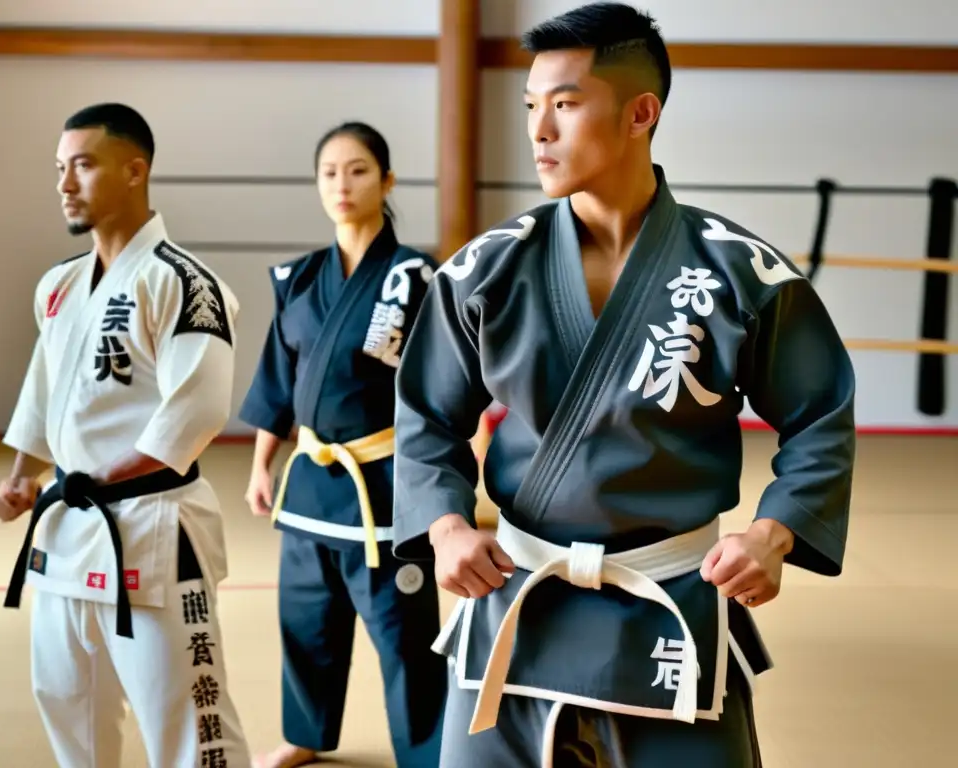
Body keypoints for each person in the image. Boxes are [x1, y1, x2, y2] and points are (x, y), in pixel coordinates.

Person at [391, 4, 856, 767]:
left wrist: (775, 532)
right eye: (532, 107)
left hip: (668, 597)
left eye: (566, 105)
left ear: (642, 113)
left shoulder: (737, 272)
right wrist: (443, 525)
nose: (540, 130)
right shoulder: (486, 271)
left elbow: (821, 414)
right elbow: (425, 416)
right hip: (521, 597)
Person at [0, 102, 252, 768]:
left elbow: (197, 407)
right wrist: (26, 475)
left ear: (135, 171)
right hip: (68, 531)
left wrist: (103, 476)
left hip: (154, 528)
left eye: (82, 164)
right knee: (66, 702)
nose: (64, 184)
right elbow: (44, 391)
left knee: (188, 720)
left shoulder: (185, 283)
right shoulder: (59, 285)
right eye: (59, 168)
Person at [239, 121, 447, 768]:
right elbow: (279, 380)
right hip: (312, 478)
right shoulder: (299, 278)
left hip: (386, 483)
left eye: (357, 170)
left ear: (386, 181)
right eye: (329, 172)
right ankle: (306, 732)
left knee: (403, 631)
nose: (341, 184)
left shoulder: (414, 277)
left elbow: (446, 386)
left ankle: (425, 752)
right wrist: (261, 466)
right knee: (305, 618)